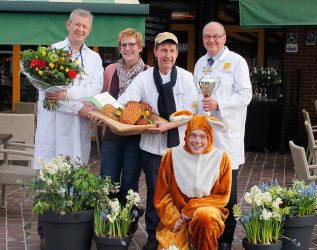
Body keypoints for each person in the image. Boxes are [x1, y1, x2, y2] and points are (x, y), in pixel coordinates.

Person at [118, 32, 198, 250]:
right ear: (155, 52)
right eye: (164, 50)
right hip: (151, 148)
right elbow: (124, 103)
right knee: (156, 192)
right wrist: (142, 117)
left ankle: (180, 235)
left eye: (172, 50)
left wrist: (167, 126)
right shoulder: (143, 79)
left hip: (180, 147)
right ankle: (154, 236)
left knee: (180, 192)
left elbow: (192, 112)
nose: (168, 55)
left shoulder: (186, 77)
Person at [34, 9, 103, 249]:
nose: (81, 29)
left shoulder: (94, 59)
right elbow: (45, 89)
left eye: (85, 26)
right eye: (77, 25)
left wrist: (67, 95)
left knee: (73, 174)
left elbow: (94, 91)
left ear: (89, 30)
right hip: (52, 125)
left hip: (76, 126)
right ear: (68, 25)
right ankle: (46, 232)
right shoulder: (52, 51)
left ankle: (70, 225)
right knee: (48, 176)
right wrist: (71, 101)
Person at [194, 21, 252, 250]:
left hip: (227, 137)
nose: (212, 41)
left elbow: (246, 94)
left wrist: (220, 104)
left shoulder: (237, 62)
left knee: (227, 192)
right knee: (205, 188)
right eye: (207, 37)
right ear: (203, 39)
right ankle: (206, 233)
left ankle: (226, 239)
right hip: (203, 138)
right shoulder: (200, 63)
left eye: (216, 37)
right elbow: (198, 97)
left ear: (224, 38)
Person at [154, 111, 232, 250]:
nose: (197, 141)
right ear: (187, 135)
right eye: (193, 135)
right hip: (178, 214)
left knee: (205, 216)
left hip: (208, 210)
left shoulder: (222, 158)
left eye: (203, 136)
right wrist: (173, 219)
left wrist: (191, 208)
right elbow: (162, 195)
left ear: (210, 137)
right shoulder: (171, 155)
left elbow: (221, 196)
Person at [98, 28, 147, 200]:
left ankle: (126, 225)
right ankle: (106, 223)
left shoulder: (148, 73)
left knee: (129, 184)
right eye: (123, 45)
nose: (128, 48)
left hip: (136, 137)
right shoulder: (110, 70)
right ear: (119, 49)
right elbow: (103, 99)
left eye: (132, 44)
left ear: (140, 47)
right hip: (112, 135)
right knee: (107, 182)